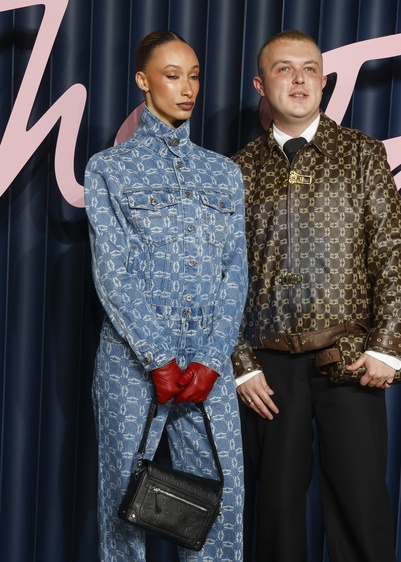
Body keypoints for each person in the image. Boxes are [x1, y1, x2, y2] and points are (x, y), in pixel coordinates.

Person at [231, 29, 401, 562]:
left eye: (309, 69)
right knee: (276, 513)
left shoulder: (362, 154)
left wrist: (387, 346)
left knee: (362, 508)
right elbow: (223, 278)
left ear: (324, 81)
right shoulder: (238, 170)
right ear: (260, 85)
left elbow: (392, 252)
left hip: (351, 358)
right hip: (269, 369)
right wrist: (241, 365)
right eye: (284, 69)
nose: (299, 79)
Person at [84, 30, 247, 562]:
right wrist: (157, 357)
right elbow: (112, 273)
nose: (187, 88)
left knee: (219, 503)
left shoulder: (224, 173)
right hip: (131, 362)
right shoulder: (108, 168)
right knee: (124, 505)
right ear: (143, 80)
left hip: (208, 362)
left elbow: (236, 273)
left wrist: (211, 357)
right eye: (173, 75)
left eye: (194, 76)